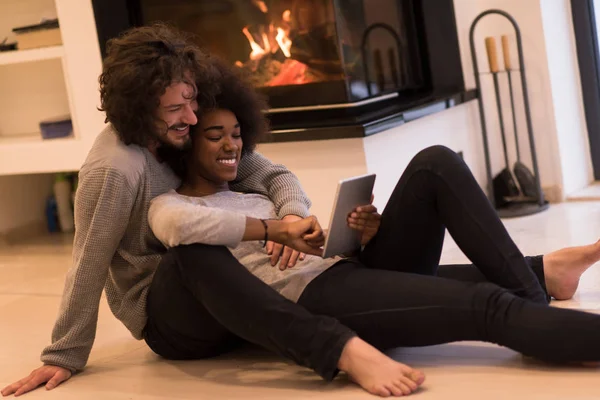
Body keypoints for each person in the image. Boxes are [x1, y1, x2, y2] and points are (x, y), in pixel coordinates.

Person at [1, 24, 391, 398]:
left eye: (191, 99)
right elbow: (88, 262)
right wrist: (64, 355)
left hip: (223, 298)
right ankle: (336, 350)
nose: (190, 116)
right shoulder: (114, 171)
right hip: (172, 313)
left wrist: (291, 215)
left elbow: (271, 174)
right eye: (176, 107)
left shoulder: (180, 132)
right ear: (139, 109)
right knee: (191, 247)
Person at [147, 97, 600, 397]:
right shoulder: (172, 207)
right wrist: (271, 230)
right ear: (185, 148)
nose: (231, 144)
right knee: (484, 305)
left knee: (435, 163)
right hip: (318, 299)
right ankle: (537, 321)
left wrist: (364, 234)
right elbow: (175, 226)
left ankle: (533, 302)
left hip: (342, 270)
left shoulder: (254, 189)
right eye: (214, 136)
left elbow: (290, 203)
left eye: (236, 133)